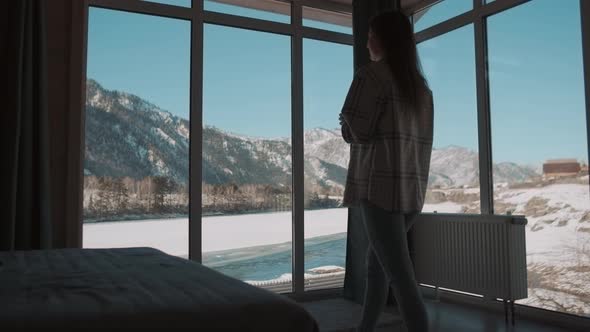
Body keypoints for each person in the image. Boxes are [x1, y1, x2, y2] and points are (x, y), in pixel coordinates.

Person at [338, 10, 434, 332]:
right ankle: (365, 328)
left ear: (380, 39)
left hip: (379, 188)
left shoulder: (371, 76)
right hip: (410, 191)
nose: (367, 44)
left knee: (401, 279)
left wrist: (345, 124)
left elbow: (359, 132)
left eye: (369, 37)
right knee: (377, 265)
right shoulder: (421, 89)